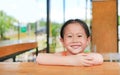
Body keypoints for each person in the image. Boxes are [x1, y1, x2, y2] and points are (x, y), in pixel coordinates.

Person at [36, 19, 103, 67]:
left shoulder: (85, 57)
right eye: (69, 36)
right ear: (62, 41)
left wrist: (78, 60)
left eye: (79, 36)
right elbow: (39, 58)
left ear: (88, 40)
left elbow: (99, 58)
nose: (75, 40)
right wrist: (72, 60)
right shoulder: (60, 55)